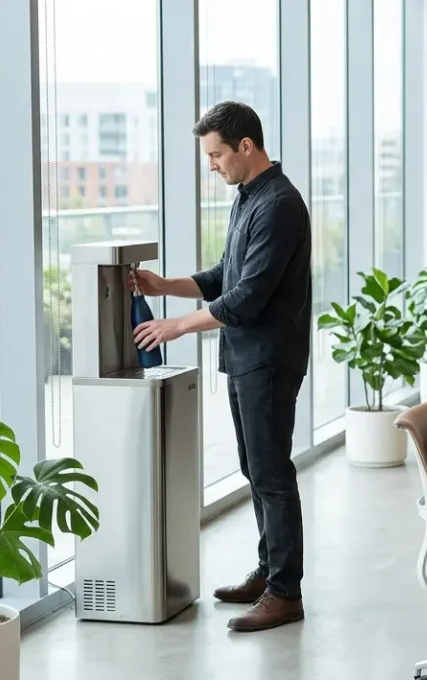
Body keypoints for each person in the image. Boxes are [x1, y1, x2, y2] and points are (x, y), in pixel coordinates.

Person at [132, 101, 311, 632]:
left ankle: (285, 592)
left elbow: (248, 298)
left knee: (272, 473)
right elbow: (225, 275)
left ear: (246, 147)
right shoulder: (247, 198)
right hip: (245, 357)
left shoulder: (279, 204)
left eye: (216, 154)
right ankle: (269, 571)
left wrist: (176, 326)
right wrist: (166, 287)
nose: (211, 164)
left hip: (269, 360)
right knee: (255, 468)